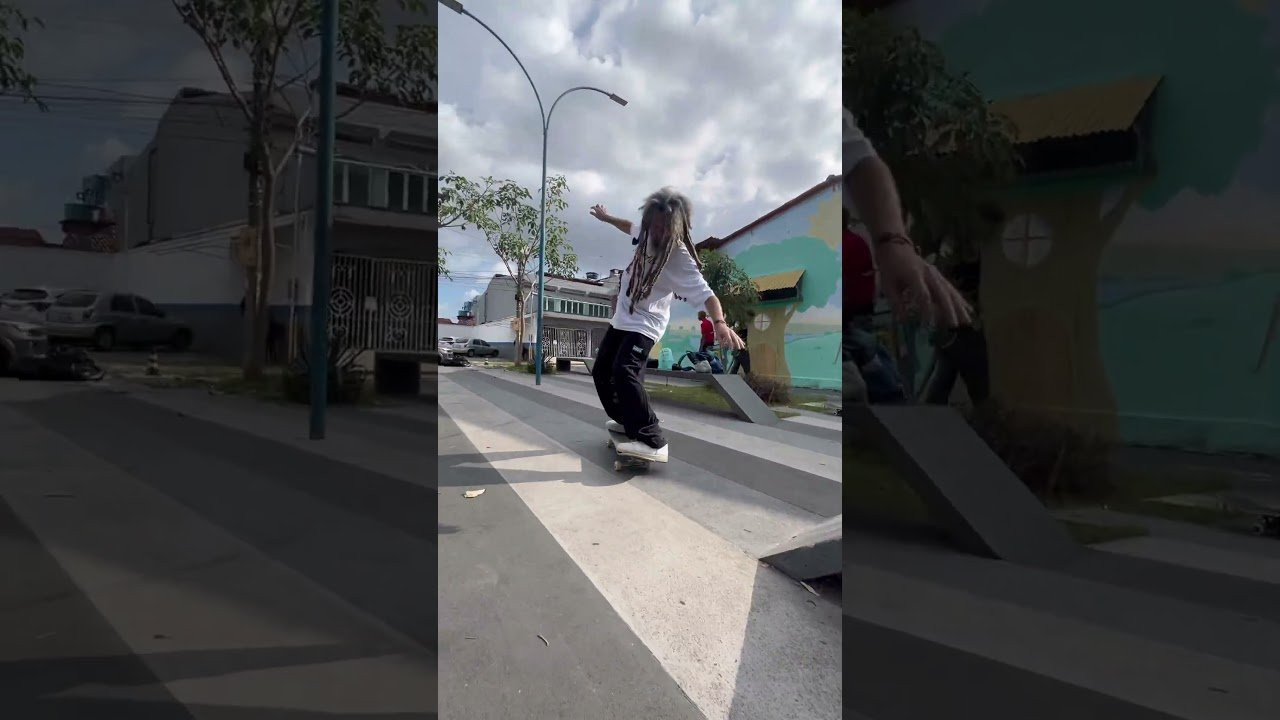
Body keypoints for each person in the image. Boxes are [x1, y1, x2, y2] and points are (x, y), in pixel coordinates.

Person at [588, 188, 746, 463]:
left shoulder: (679, 256)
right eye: (655, 227)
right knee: (602, 370)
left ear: (676, 227)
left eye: (664, 229)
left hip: (647, 322)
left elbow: (707, 294)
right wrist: (606, 217)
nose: (658, 234)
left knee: (625, 371)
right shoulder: (646, 230)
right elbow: (629, 226)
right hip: (623, 317)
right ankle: (628, 422)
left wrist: (719, 323)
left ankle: (653, 439)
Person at [843, 107, 972, 405]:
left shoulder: (852, 244)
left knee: (870, 361)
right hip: (859, 314)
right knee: (872, 359)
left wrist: (894, 242)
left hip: (856, 314)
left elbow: (860, 160)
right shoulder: (853, 244)